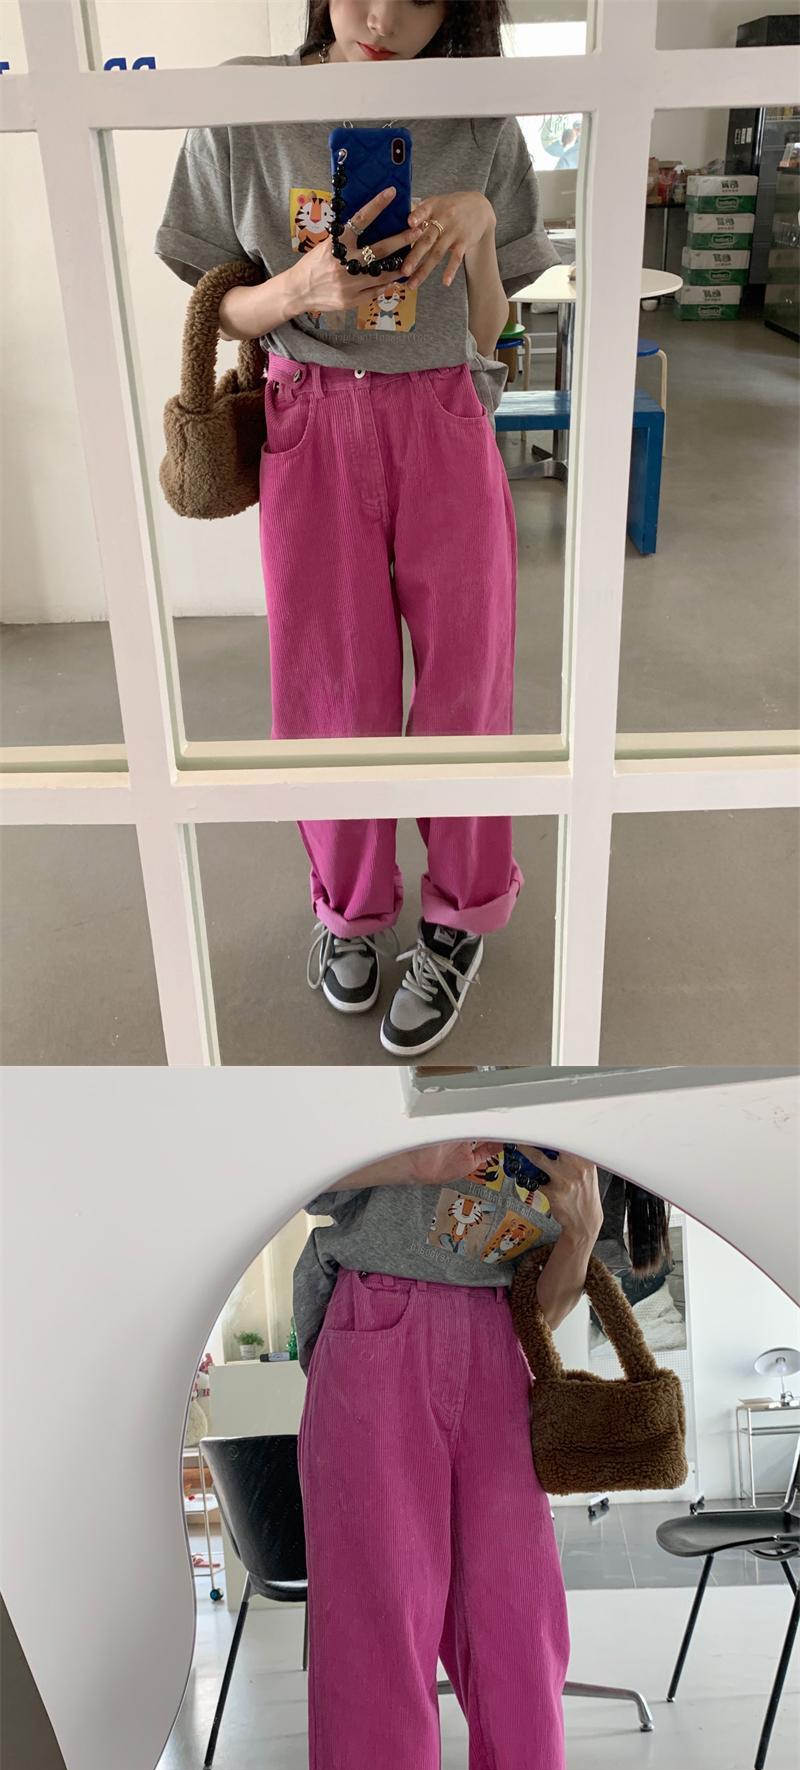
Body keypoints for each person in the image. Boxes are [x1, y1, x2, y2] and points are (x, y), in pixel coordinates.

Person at [155, 0, 554, 1056]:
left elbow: (490, 332)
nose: (382, 15)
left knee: (469, 682)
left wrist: (477, 233)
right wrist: (295, 287)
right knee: (330, 688)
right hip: (310, 418)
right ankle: (349, 906)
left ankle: (460, 914)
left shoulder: (481, 114)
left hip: (445, 417)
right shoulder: (244, 104)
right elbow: (214, 300)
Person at [291, 1134, 662, 1770]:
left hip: (502, 1359)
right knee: (378, 1686)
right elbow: (287, 1165)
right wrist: (411, 1164)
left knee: (522, 1670)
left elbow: (543, 1309)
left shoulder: (586, 1124)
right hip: (376, 1327)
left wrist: (578, 1233)